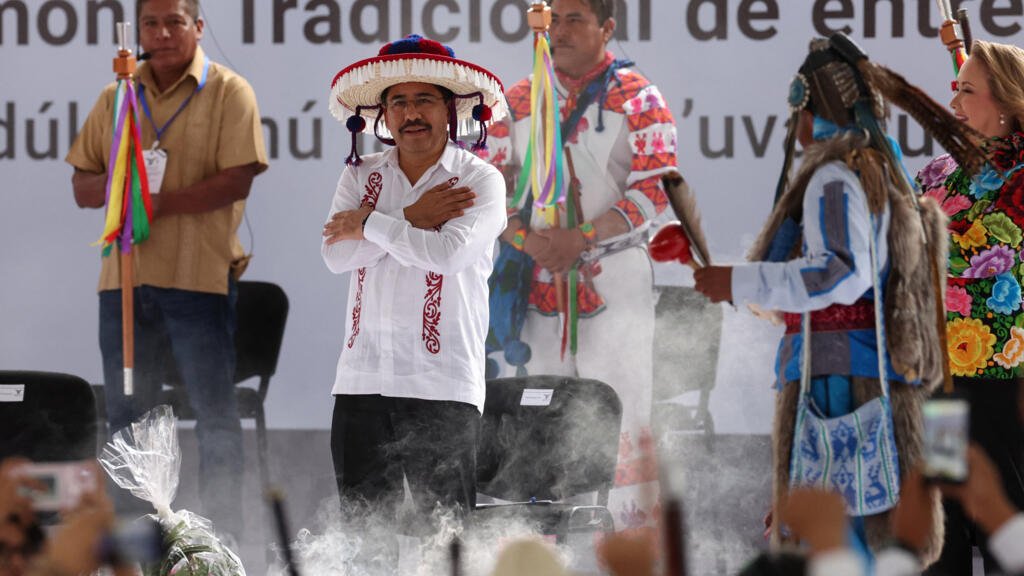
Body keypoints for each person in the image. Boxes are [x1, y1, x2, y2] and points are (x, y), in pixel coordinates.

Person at [693, 34, 985, 561]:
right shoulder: (883, 172)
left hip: (839, 385)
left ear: (810, 107)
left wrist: (735, 281)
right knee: (867, 531)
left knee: (841, 540)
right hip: (873, 380)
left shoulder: (834, 174)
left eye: (797, 110)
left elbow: (840, 273)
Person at [66, 0, 268, 537]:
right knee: (127, 418)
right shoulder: (118, 95)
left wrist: (152, 205)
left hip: (197, 282)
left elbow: (238, 179)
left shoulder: (229, 90)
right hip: (125, 287)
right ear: (139, 32)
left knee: (214, 416)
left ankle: (219, 544)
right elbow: (82, 186)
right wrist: (121, 192)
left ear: (197, 27)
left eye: (175, 21)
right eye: (151, 23)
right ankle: (137, 544)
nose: (162, 33)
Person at [483, 0, 678, 533]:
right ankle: (527, 542)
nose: (561, 31)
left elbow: (656, 192)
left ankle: (625, 545)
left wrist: (582, 238)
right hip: (536, 275)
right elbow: (490, 187)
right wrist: (529, 240)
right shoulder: (515, 101)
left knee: (620, 399)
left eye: (576, 19)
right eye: (555, 19)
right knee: (533, 402)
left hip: (611, 274)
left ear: (607, 28)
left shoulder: (640, 97)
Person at [321, 34, 507, 571]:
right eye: (397, 102)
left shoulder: (479, 179)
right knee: (362, 538)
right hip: (360, 381)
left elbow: (447, 255)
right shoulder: (361, 174)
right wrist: (410, 218)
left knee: (442, 541)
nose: (410, 114)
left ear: (450, 109)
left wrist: (372, 225)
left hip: (440, 384)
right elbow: (335, 257)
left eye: (424, 99)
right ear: (382, 114)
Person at [915, 40, 1024, 576]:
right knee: (944, 534)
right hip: (942, 383)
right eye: (954, 88)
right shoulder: (938, 172)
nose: (952, 102)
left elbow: (986, 252)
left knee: (1008, 533)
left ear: (1006, 101)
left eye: (967, 91)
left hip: (1005, 386)